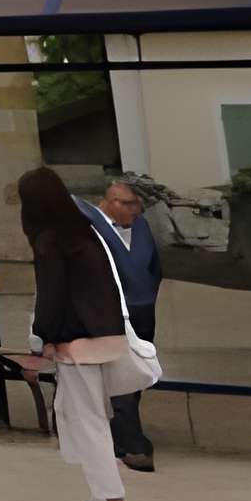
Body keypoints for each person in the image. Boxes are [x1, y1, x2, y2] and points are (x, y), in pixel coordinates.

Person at [16, 165, 152, 501]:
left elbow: (51, 297)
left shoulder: (50, 240)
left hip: (76, 345)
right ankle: (100, 500)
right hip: (105, 337)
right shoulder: (84, 232)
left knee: (88, 424)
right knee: (89, 420)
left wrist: (40, 344)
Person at [82, 177, 163, 472]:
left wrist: (146, 297)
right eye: (127, 203)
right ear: (107, 201)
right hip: (108, 314)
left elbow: (154, 268)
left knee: (135, 373)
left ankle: (121, 436)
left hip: (142, 311)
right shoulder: (88, 227)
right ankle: (132, 445)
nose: (134, 210)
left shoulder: (141, 227)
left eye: (137, 204)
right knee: (119, 376)